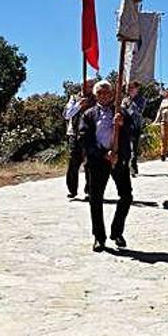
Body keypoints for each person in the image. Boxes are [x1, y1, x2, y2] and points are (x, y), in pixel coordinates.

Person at [78, 80, 134, 252]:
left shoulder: (121, 112)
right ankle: (99, 237)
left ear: (112, 94)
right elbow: (84, 139)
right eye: (100, 93)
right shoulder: (88, 115)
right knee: (95, 199)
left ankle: (117, 232)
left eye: (107, 92)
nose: (104, 95)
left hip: (119, 160)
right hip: (98, 161)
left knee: (126, 196)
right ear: (96, 95)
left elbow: (134, 131)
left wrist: (123, 124)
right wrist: (103, 154)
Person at [63, 80, 95, 198]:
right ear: (83, 86)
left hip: (90, 135)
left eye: (92, 86)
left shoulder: (95, 99)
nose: (91, 88)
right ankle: (72, 189)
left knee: (90, 164)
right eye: (89, 85)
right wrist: (79, 105)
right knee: (73, 163)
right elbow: (67, 114)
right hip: (74, 134)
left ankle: (90, 191)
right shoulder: (74, 98)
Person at [122, 81, 147, 176]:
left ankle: (133, 166)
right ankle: (127, 166)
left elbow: (139, 111)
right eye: (129, 88)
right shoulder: (125, 100)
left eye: (132, 88)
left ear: (137, 89)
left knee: (134, 148)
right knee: (126, 148)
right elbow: (122, 110)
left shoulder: (141, 100)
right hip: (126, 126)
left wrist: (131, 105)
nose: (130, 90)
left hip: (136, 126)